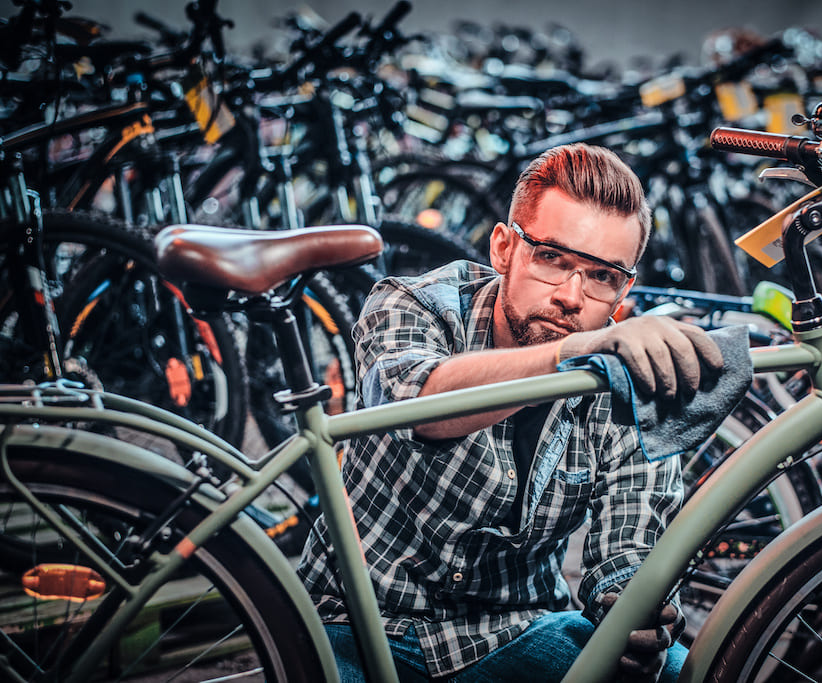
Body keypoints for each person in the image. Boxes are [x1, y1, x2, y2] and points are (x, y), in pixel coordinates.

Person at [298, 142, 726, 682]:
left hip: (515, 629)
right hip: (357, 624)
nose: (572, 297)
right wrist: (565, 356)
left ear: (625, 288)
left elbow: (631, 538)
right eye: (552, 257)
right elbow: (417, 406)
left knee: (690, 675)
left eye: (602, 277)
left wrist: (631, 606)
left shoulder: (625, 377)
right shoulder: (415, 304)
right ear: (504, 248)